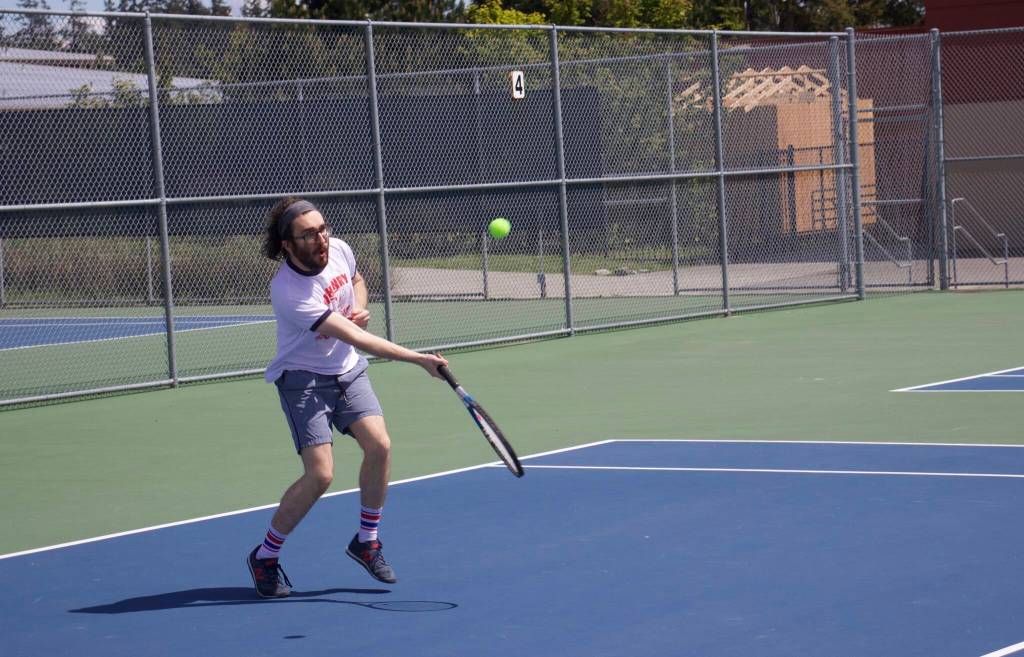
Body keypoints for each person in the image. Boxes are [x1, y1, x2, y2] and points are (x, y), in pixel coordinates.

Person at [246, 197, 448, 598]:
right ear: (287, 244)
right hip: (303, 380)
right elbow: (358, 338)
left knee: (380, 446)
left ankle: (366, 541)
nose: (320, 238)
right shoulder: (289, 291)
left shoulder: (338, 249)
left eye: (323, 229)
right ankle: (265, 556)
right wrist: (418, 359)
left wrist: (358, 305)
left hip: (346, 370)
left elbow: (355, 281)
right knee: (320, 475)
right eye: (308, 234)